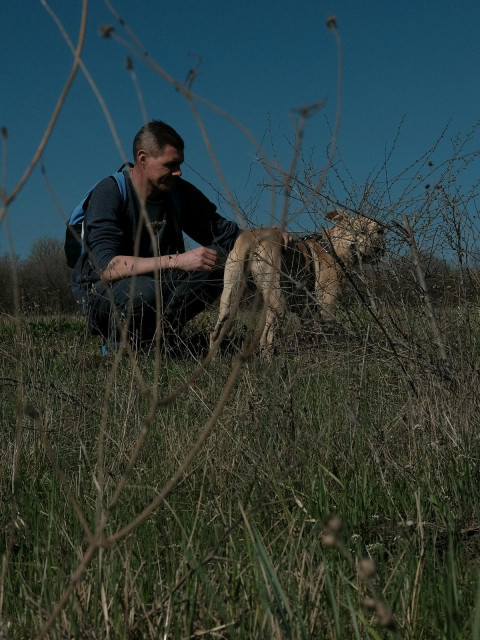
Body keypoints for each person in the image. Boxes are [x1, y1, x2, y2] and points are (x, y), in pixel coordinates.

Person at [71, 120, 242, 352]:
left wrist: (266, 239)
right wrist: (179, 260)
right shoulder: (110, 193)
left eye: (180, 164)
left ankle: (163, 337)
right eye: (170, 165)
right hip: (105, 293)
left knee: (226, 260)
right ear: (142, 159)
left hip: (159, 284)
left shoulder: (179, 192)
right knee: (142, 291)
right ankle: (119, 346)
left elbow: (225, 234)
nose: (178, 172)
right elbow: (109, 268)